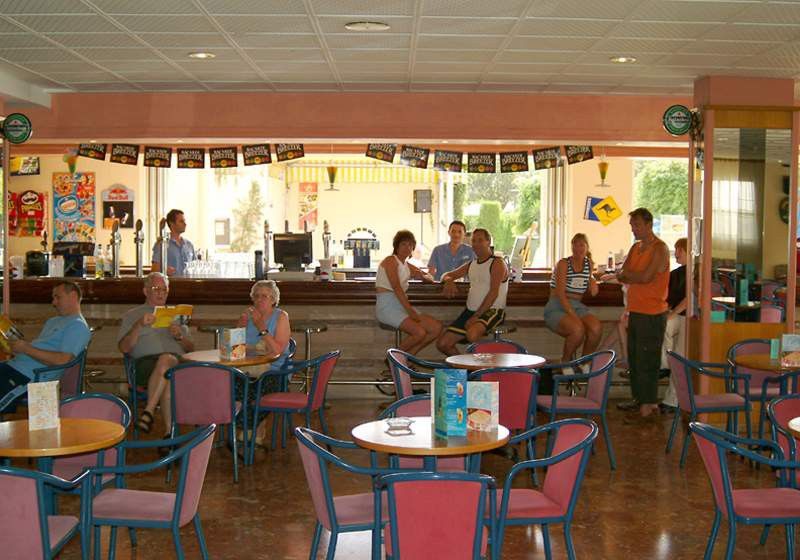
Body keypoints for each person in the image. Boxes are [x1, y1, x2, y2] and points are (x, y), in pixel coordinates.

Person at [118, 272, 195, 436]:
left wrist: (180, 336)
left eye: (164, 290)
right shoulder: (132, 315)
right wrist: (138, 325)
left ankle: (148, 412)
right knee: (168, 375)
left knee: (168, 361)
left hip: (179, 363)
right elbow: (124, 348)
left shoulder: (176, 315)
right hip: (146, 365)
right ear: (146, 291)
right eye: (156, 289)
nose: (161, 293)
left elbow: (190, 349)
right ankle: (170, 434)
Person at [615, 208, 670, 421]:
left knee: (648, 359)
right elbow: (622, 273)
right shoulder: (636, 248)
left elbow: (646, 277)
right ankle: (639, 399)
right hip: (635, 310)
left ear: (648, 225)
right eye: (632, 226)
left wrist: (631, 276)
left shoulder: (660, 249)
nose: (634, 230)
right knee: (635, 359)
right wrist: (629, 275)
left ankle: (648, 405)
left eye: (637, 225)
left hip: (653, 312)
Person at [0, 281, 91, 405]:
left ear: (73, 296)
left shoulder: (78, 326)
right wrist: (14, 348)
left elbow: (62, 360)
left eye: (57, 297)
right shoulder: (53, 321)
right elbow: (39, 351)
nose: (54, 303)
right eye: (53, 298)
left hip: (31, 377)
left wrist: (26, 348)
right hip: (14, 367)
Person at [436, 228, 508, 355]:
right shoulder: (471, 264)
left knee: (472, 334)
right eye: (474, 241)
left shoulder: (497, 263)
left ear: (488, 242)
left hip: (492, 310)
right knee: (443, 344)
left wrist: (476, 316)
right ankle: (470, 371)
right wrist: (448, 280)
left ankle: (485, 368)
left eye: (480, 240)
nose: (476, 244)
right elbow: (445, 275)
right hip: (470, 311)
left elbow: (493, 293)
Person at [376, 230, 442, 355]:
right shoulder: (390, 260)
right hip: (387, 306)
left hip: (401, 304)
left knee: (436, 328)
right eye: (403, 244)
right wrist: (411, 311)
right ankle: (393, 360)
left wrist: (422, 275)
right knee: (419, 332)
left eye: (410, 245)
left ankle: (407, 358)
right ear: (396, 246)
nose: (407, 247)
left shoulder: (406, 265)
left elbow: (429, 277)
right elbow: (396, 288)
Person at [544, 233, 601, 364]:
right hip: (557, 305)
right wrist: (572, 314)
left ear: (587, 247)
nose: (578, 248)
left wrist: (592, 280)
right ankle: (565, 362)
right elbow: (560, 293)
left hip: (576, 305)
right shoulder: (564, 263)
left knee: (596, 328)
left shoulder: (588, 264)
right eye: (575, 245)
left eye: (581, 245)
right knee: (577, 329)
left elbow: (592, 291)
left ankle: (584, 363)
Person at [660, 237, 688, 412]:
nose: (676, 253)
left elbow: (689, 300)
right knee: (662, 325)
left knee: (680, 355)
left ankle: (667, 364)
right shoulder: (675, 275)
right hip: (677, 315)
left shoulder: (696, 273)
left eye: (680, 250)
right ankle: (665, 364)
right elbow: (667, 298)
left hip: (689, 318)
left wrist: (672, 313)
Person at [151, 208, 195, 276]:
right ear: (172, 223)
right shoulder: (162, 244)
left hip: (189, 284)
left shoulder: (189, 245)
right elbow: (154, 268)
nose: (185, 224)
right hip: (171, 284)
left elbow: (195, 265)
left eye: (184, 221)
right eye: (181, 221)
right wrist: (164, 270)